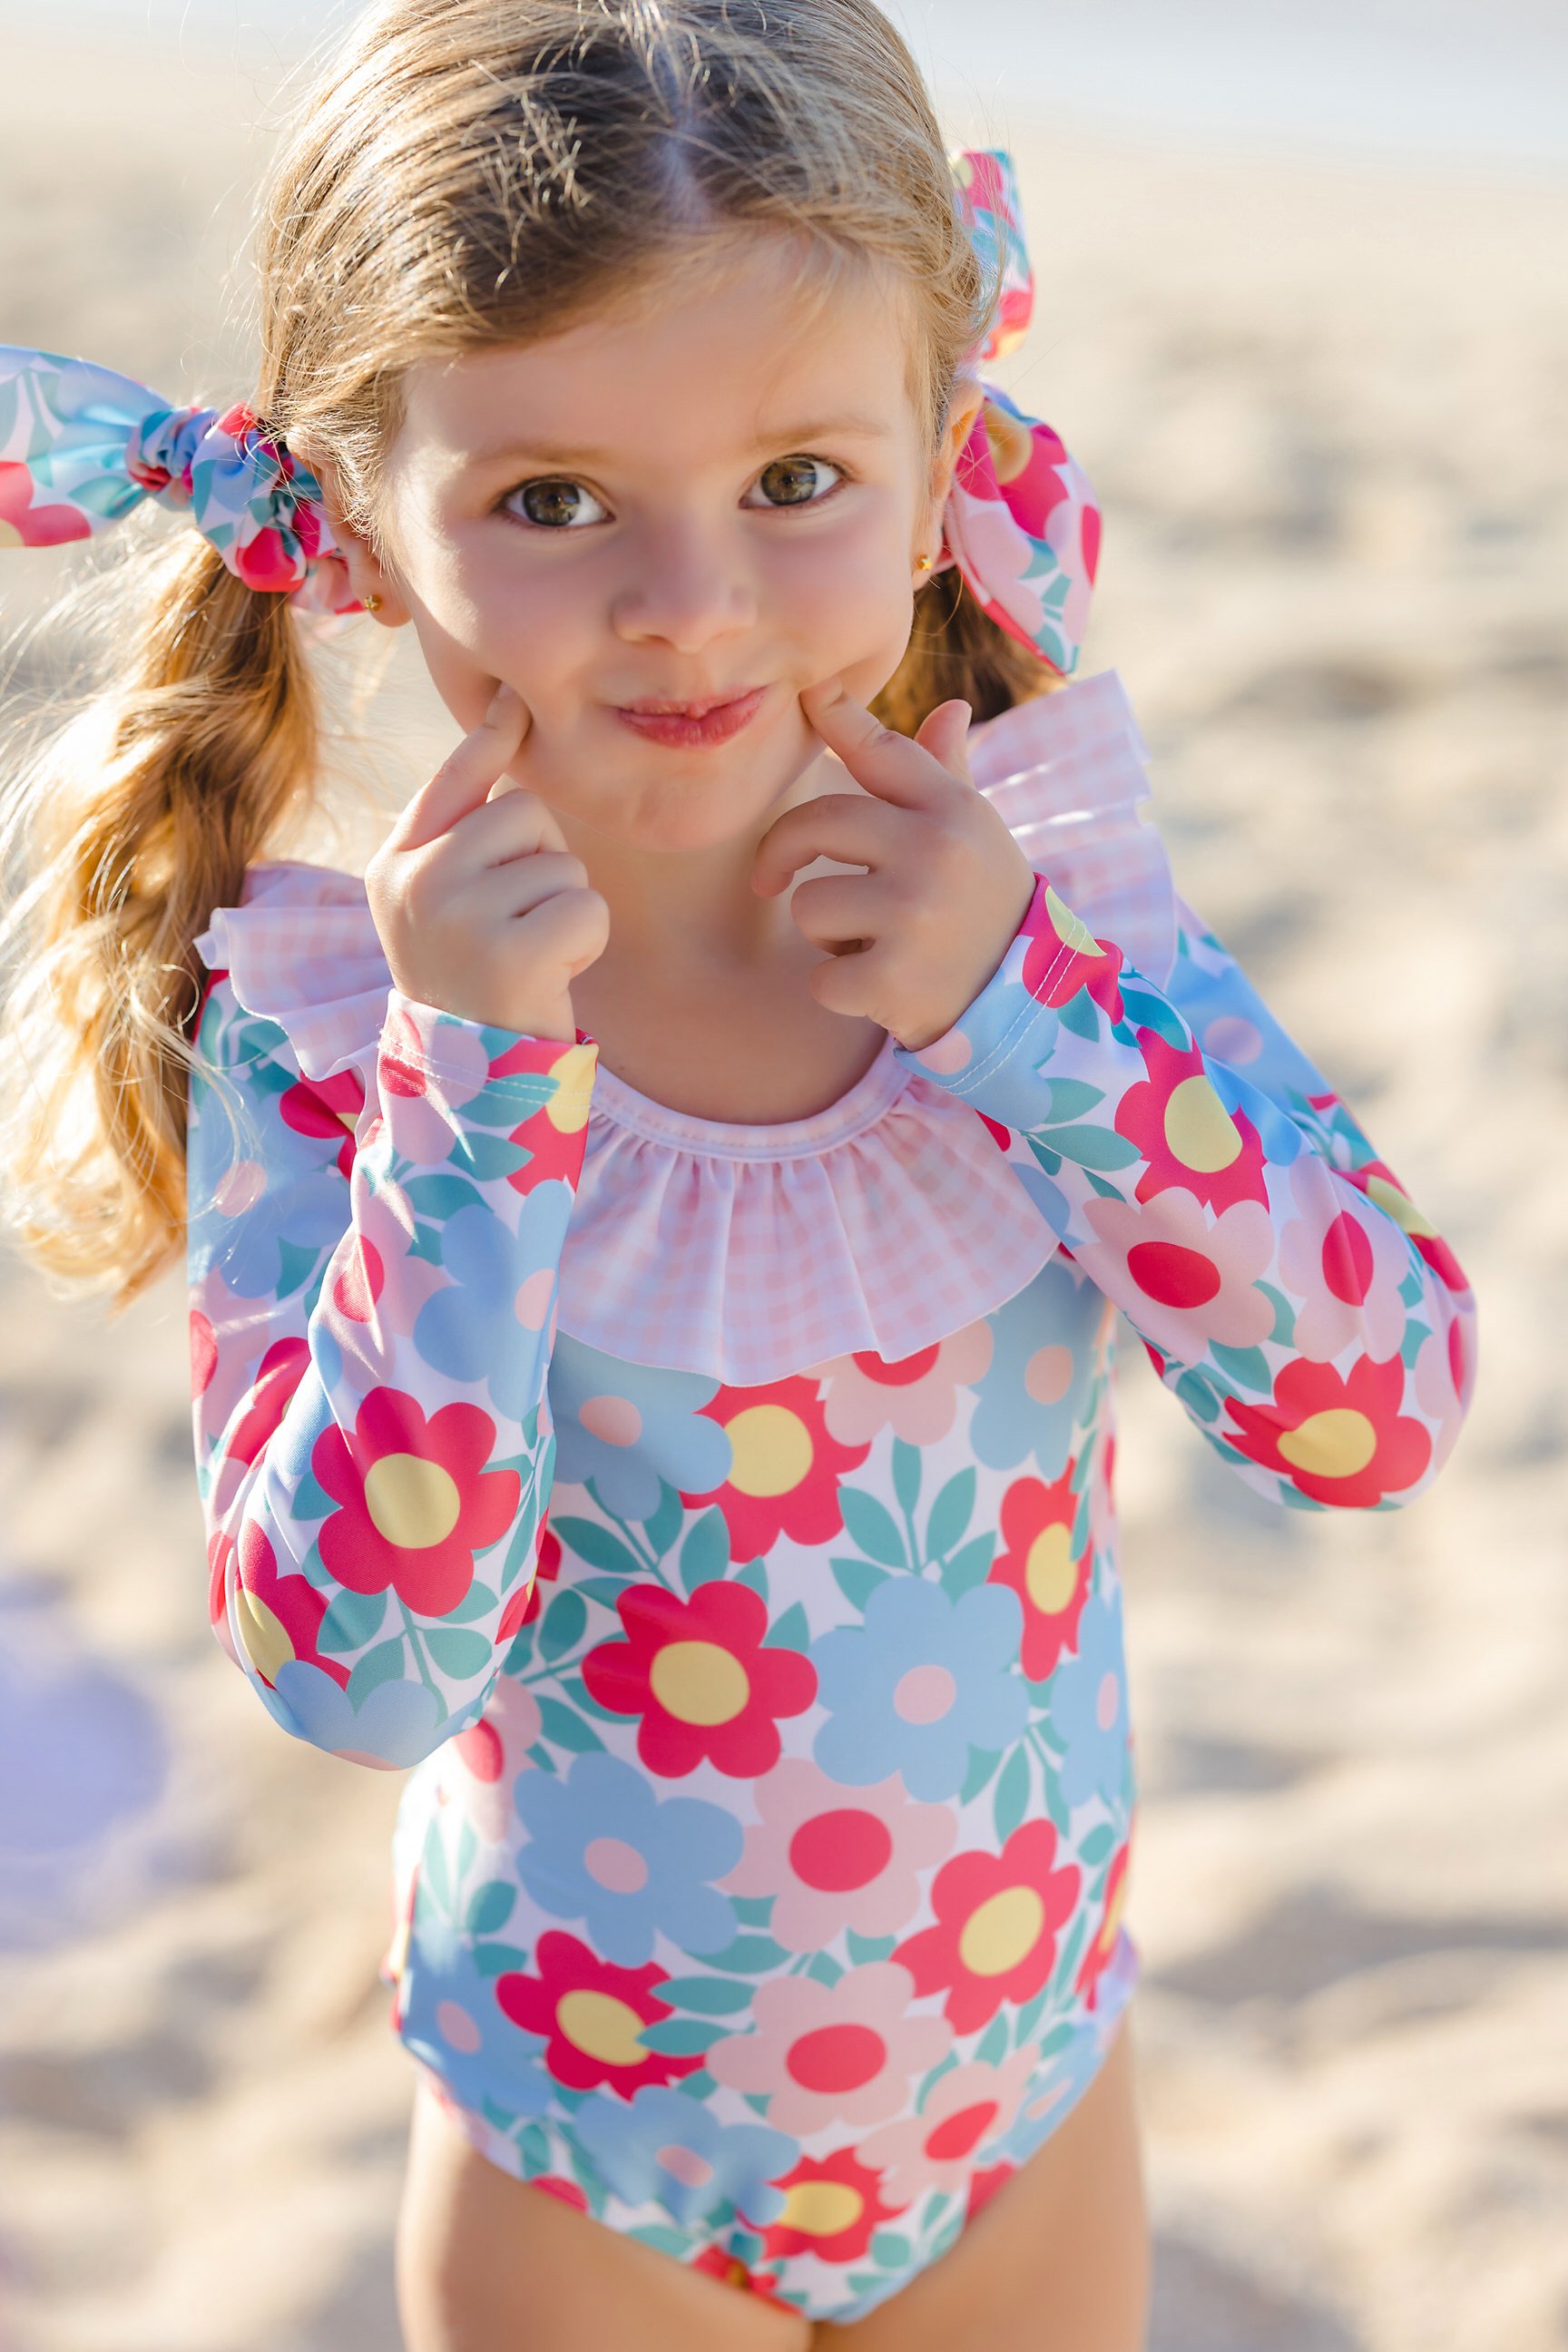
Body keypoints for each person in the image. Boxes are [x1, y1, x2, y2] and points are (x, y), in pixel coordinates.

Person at [0, 4, 1476, 2347]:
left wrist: (1027, 1010)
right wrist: (478, 1097)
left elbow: (1373, 1403)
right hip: (594, 2168)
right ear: (363, 515)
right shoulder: (344, 1045)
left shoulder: (1043, 893)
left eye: (796, 481)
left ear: (935, 445)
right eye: (556, 502)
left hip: (1022, 2099)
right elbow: (360, 1674)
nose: (687, 599)